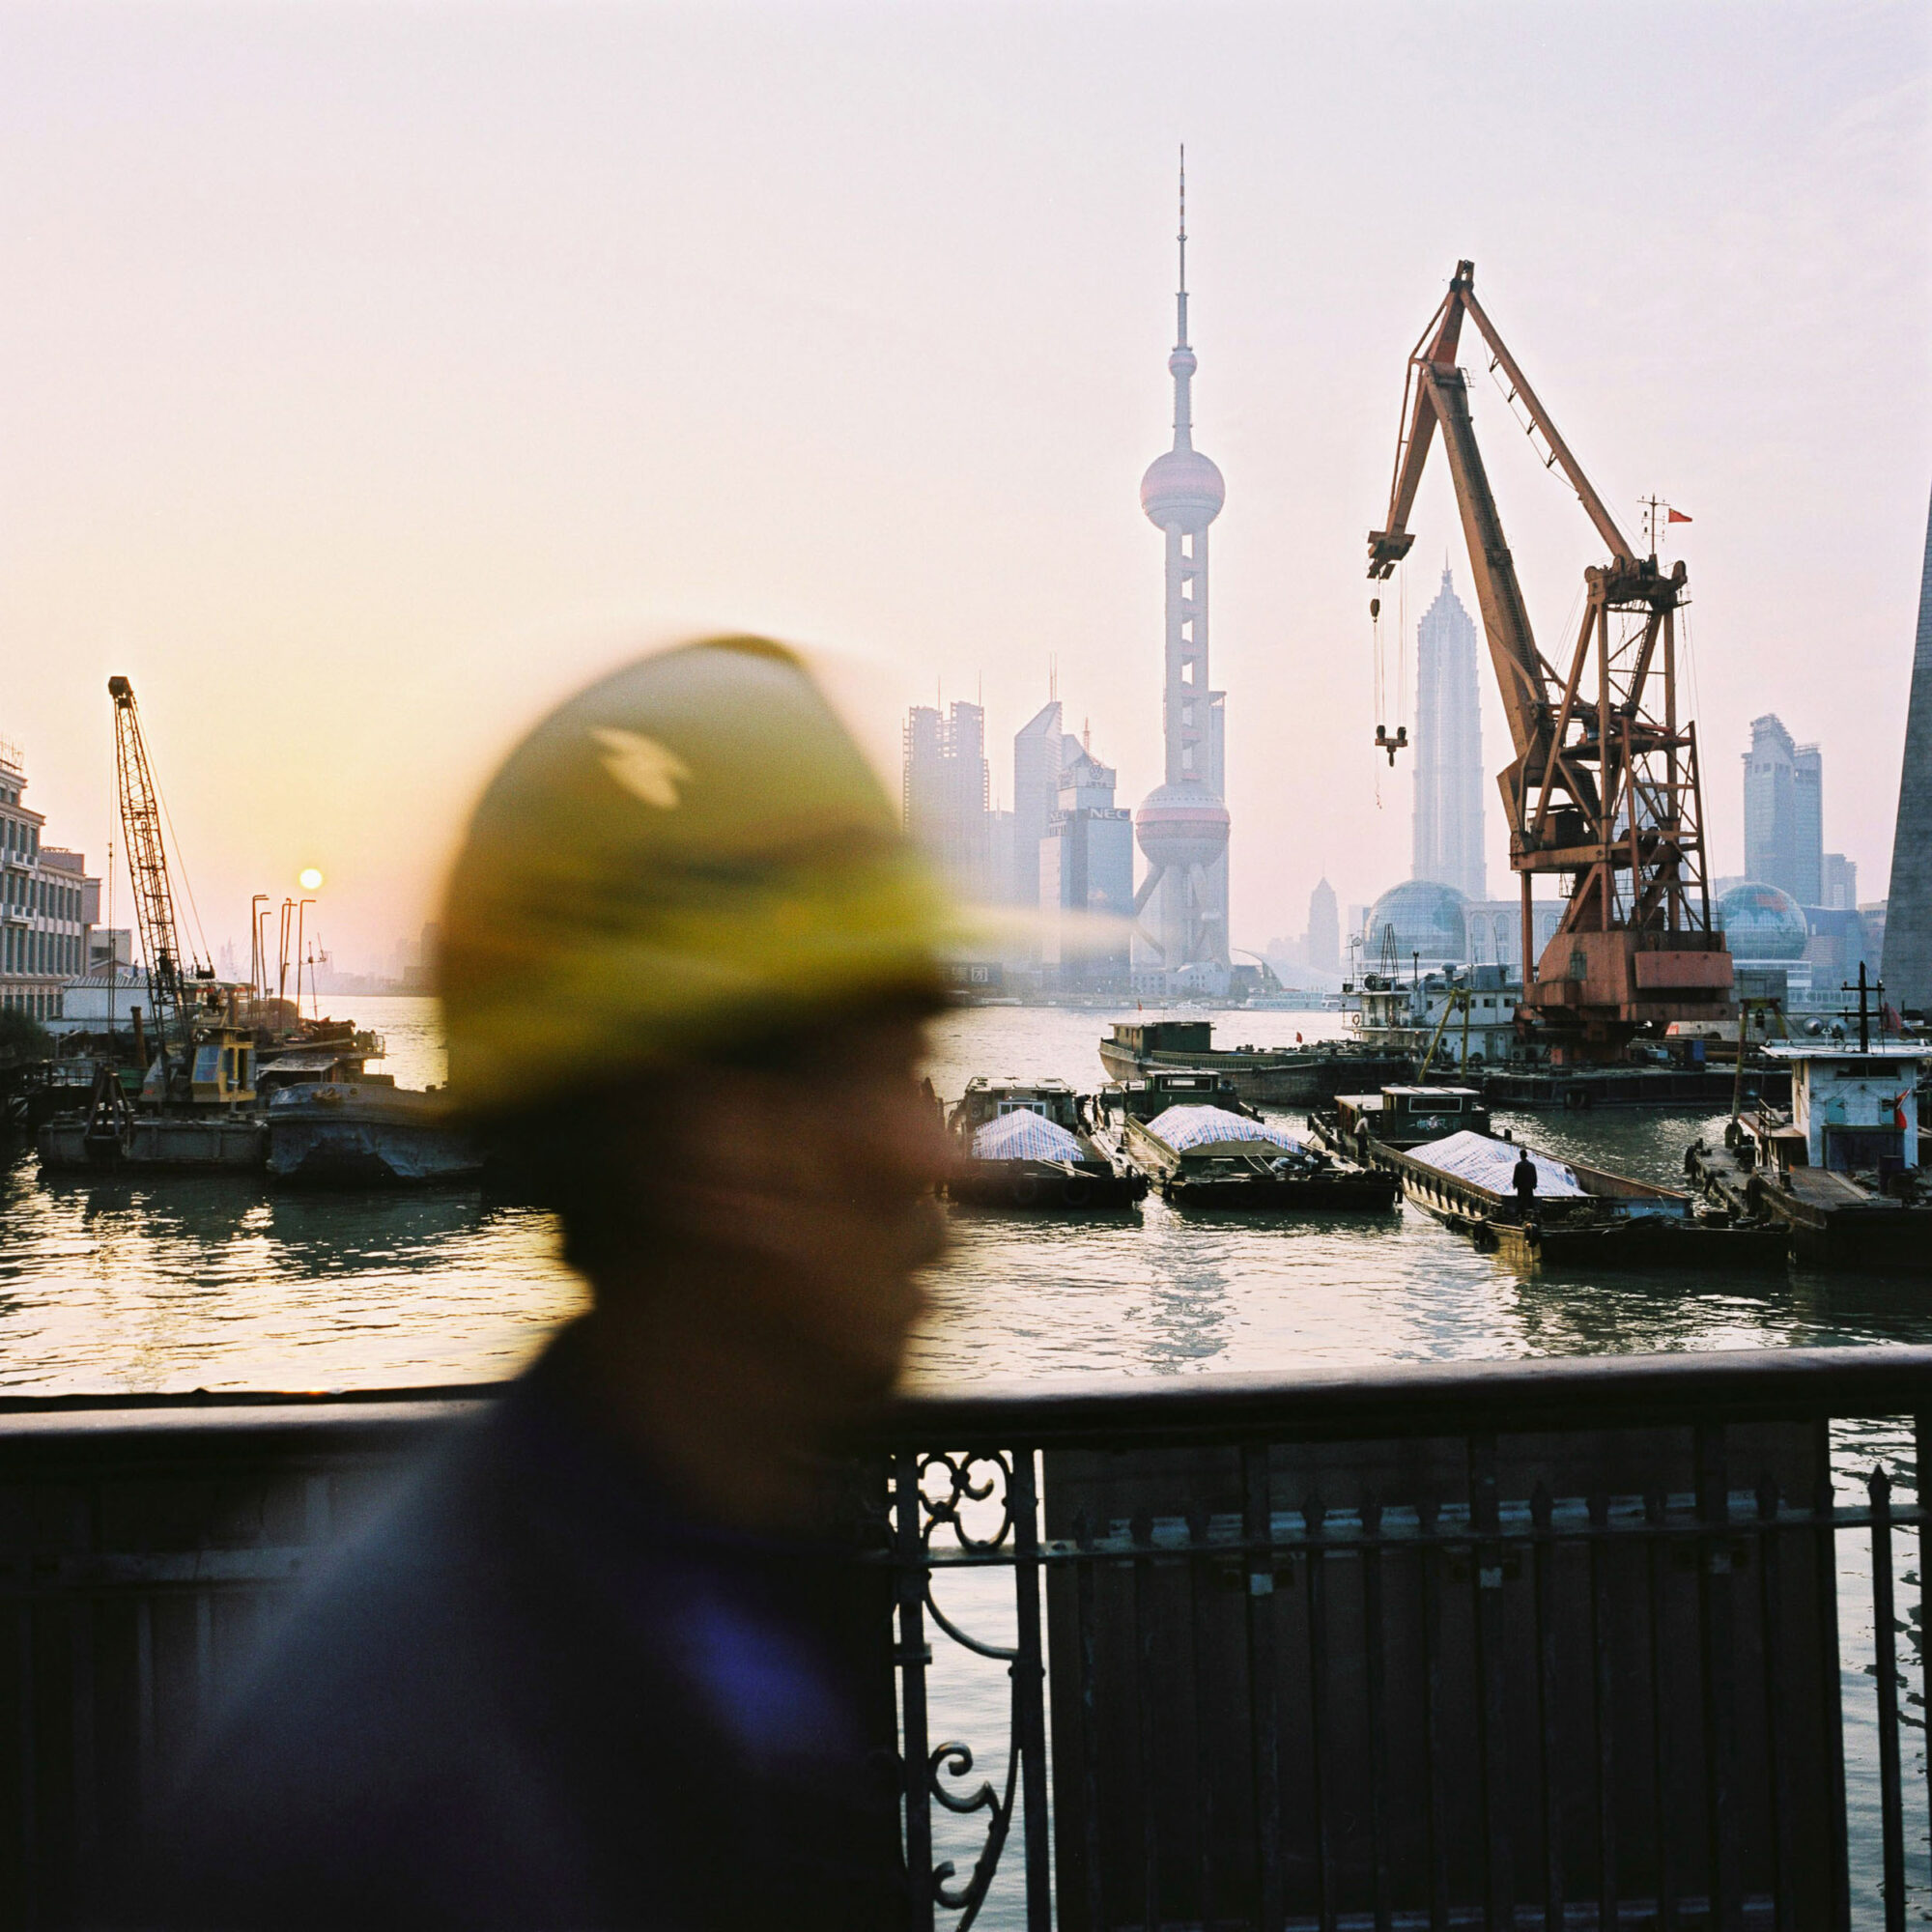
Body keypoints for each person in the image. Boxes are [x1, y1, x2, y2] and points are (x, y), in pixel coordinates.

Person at [136, 638, 958, 1929]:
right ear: (717, 1143)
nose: (936, 1149)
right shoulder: (420, 1783)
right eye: (876, 1072)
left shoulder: (699, 1582)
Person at [1512, 1146, 1541, 1224]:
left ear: (1520, 1156)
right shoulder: (1532, 1165)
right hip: (1529, 1186)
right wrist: (1534, 1184)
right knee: (1530, 1200)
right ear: (1526, 1155)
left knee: (1521, 1201)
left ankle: (1521, 1215)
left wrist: (1514, 1184)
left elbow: (1516, 1176)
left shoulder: (1518, 1165)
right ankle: (1531, 1214)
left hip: (1521, 1187)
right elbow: (1534, 1176)